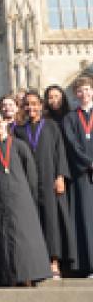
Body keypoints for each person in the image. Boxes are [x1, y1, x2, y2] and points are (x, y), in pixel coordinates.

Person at [15, 91, 76, 278]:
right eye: (27, 104)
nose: (30, 108)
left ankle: (54, 261)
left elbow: (60, 152)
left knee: (51, 221)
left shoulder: (51, 126)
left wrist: (60, 176)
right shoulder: (18, 130)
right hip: (28, 182)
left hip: (49, 179)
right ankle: (37, 263)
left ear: (41, 105)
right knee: (33, 222)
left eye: (34, 104)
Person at [0, 111, 51, 286]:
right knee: (6, 237)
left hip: (22, 197)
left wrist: (30, 195)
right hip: (1, 198)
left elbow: (30, 172)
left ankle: (29, 275)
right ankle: (11, 276)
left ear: (6, 123)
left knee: (25, 237)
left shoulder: (19, 145)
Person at [63, 76, 93, 277]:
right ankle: (90, 265)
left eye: (88, 89)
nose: (84, 93)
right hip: (83, 173)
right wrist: (89, 163)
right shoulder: (71, 118)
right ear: (75, 94)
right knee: (86, 219)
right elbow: (72, 143)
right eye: (80, 90)